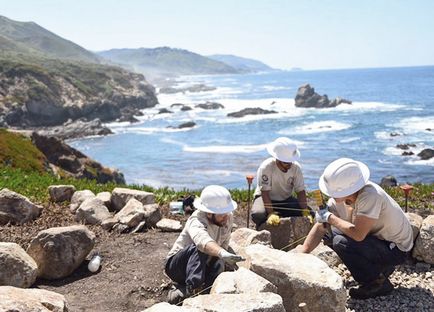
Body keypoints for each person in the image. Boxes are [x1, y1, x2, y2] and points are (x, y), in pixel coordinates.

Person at [297, 158, 413, 299]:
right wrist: (301, 255)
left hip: (397, 249)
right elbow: (322, 226)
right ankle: (377, 268)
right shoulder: (339, 199)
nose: (330, 195)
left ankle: (377, 283)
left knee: (341, 242)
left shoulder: (370, 196)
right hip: (378, 241)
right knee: (329, 234)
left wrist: (330, 217)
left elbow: (358, 235)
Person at [165, 185, 243, 304]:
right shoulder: (196, 220)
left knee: (220, 260)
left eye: (226, 213)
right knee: (201, 249)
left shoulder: (227, 217)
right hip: (177, 267)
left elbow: (224, 243)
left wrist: (225, 257)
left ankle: (206, 291)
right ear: (209, 213)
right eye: (221, 214)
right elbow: (203, 241)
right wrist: (221, 252)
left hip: (202, 264)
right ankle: (192, 290)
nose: (226, 217)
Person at [250, 137, 310, 229]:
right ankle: (263, 225)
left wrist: (305, 210)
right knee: (258, 215)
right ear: (277, 159)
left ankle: (281, 215)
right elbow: (265, 193)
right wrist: (270, 213)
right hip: (265, 198)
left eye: (291, 162)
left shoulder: (296, 168)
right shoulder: (266, 167)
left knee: (311, 214)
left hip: (286, 199)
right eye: (286, 163)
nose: (289, 165)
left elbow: (300, 191)